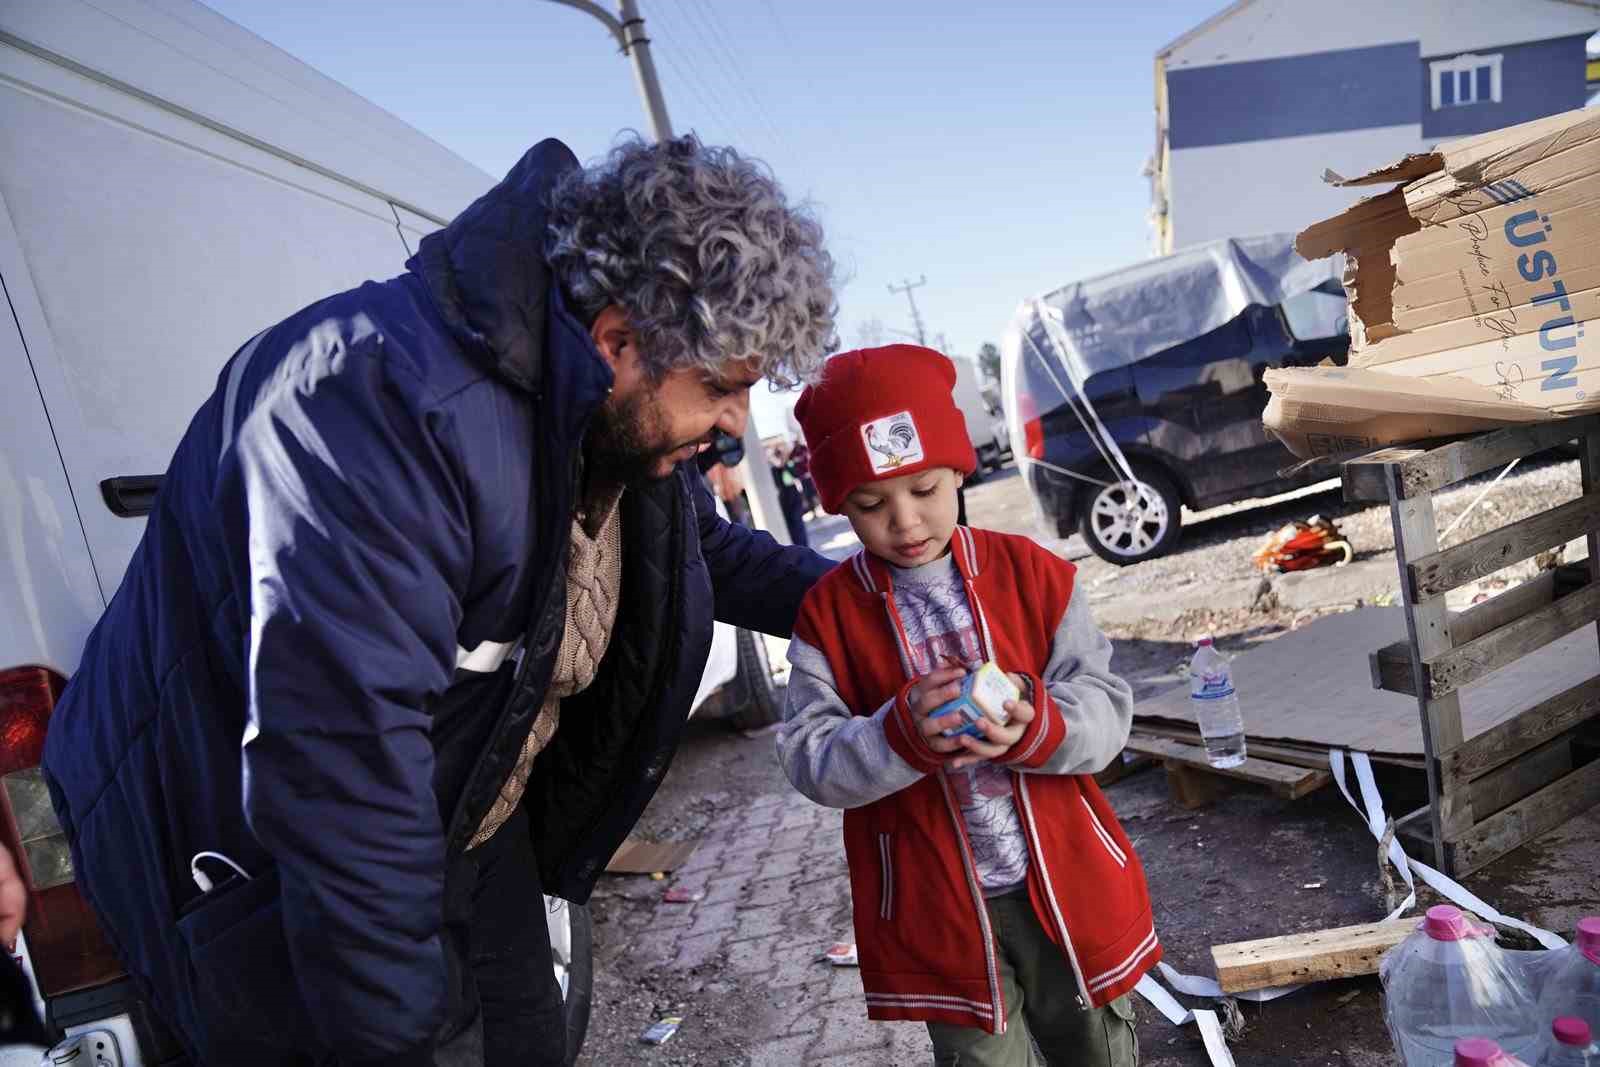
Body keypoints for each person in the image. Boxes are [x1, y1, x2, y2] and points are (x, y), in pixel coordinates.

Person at [41, 135, 837, 1067]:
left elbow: (694, 547)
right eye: (722, 389)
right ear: (618, 341)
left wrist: (873, 600)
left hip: (458, 817)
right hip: (245, 863)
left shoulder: (598, 412)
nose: (738, 424)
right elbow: (343, 781)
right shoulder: (376, 407)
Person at [776, 345, 1158, 1067]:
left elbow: (1107, 707)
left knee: (1097, 1049)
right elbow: (806, 753)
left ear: (958, 469)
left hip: (1064, 889)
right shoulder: (828, 616)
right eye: (869, 504)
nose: (905, 520)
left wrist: (1038, 721)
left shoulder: (1036, 576)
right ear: (837, 503)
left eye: (924, 488)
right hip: (939, 910)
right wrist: (895, 737)